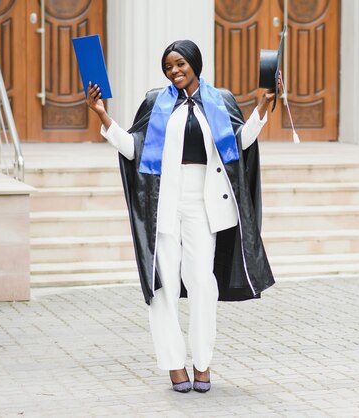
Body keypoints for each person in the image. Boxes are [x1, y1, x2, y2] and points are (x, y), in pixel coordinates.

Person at [86, 39, 276, 393]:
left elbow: (239, 144)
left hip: (205, 204)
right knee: (165, 288)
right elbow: (133, 149)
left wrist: (262, 110)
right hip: (163, 205)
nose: (174, 71)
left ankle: (202, 362)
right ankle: (174, 364)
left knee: (203, 282)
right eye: (168, 67)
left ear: (194, 63)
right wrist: (101, 113)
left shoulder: (221, 100)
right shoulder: (155, 103)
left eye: (180, 64)